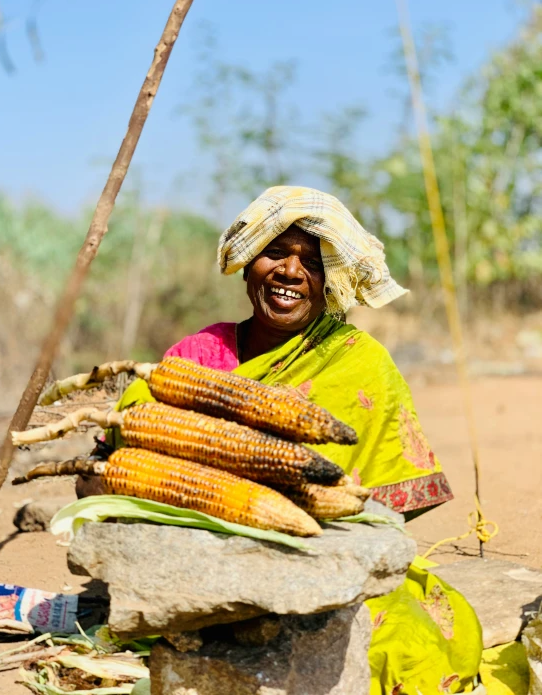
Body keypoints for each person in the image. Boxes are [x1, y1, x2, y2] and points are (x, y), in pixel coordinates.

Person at [116, 186, 484, 693]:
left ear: (329, 283)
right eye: (274, 252)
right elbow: (129, 450)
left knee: (404, 647)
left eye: (310, 262)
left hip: (329, 560)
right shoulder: (198, 354)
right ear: (247, 265)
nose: (290, 272)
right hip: (207, 560)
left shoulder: (359, 359)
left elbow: (388, 501)